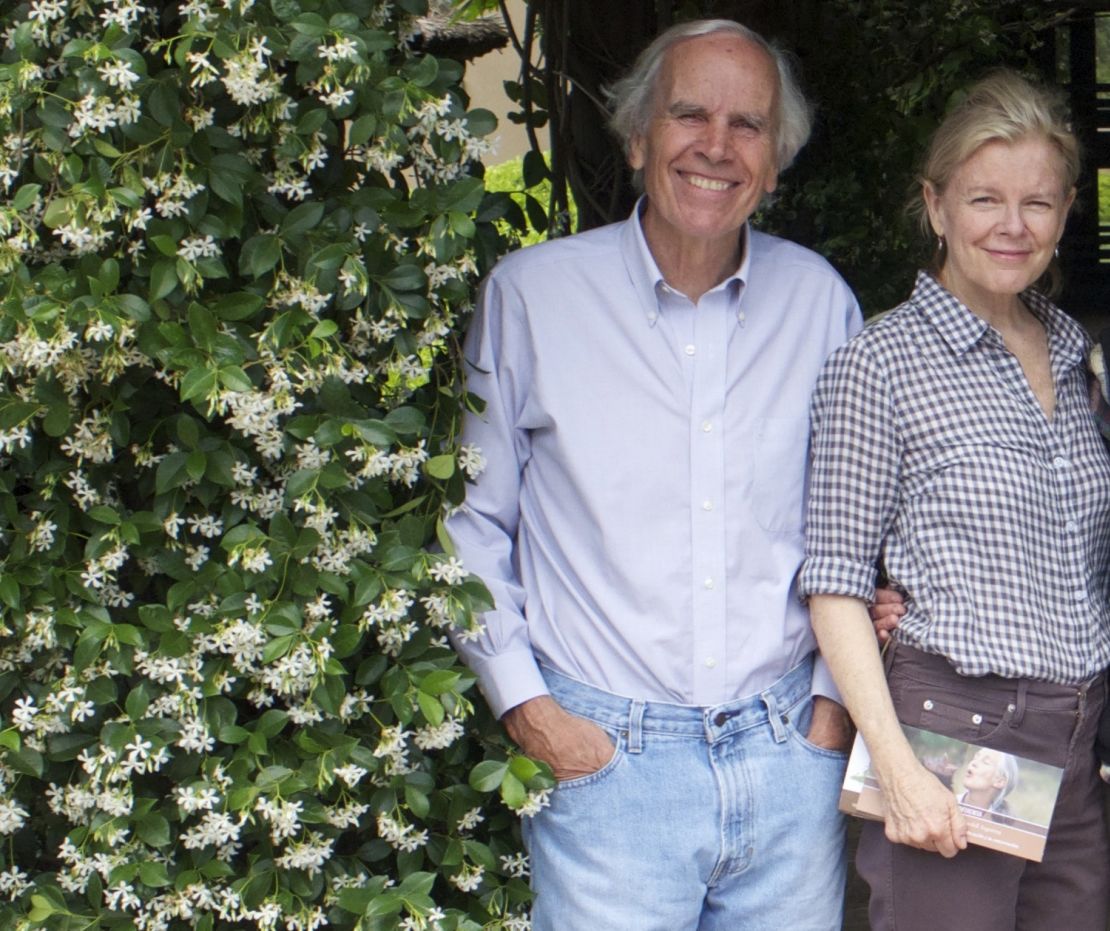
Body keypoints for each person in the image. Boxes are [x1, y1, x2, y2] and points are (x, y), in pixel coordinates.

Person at [445, 18, 861, 930]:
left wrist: (829, 716)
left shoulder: (822, 302)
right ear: (636, 137)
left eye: (748, 124)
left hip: (787, 754)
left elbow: (855, 523)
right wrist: (529, 711)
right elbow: (473, 526)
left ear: (777, 160)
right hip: (608, 765)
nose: (716, 146)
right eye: (688, 115)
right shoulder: (532, 296)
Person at [799, 70, 1110, 930]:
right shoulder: (880, 365)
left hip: (1074, 747)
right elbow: (833, 583)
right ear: (935, 206)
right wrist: (897, 769)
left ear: (1066, 211)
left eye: (1038, 204)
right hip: (955, 733)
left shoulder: (1077, 349)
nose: (1014, 227)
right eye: (984, 199)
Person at [958, 748, 1019, 815]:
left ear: (1000, 781)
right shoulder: (947, 802)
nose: (973, 763)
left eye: (985, 762)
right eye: (975, 758)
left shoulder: (1000, 824)